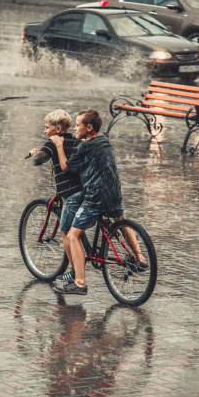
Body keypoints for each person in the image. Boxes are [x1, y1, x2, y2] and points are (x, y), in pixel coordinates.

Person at [50, 110, 147, 295]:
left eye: (78, 125)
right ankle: (140, 258)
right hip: (114, 193)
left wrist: (60, 145)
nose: (76, 128)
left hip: (96, 196)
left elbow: (65, 167)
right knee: (120, 220)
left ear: (89, 127)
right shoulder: (104, 141)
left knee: (72, 236)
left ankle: (79, 283)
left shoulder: (84, 148)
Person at [29, 111, 83, 280]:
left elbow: (38, 160)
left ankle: (75, 271)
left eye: (47, 128)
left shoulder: (52, 143)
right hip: (84, 188)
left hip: (70, 192)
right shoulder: (76, 140)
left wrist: (34, 153)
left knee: (65, 231)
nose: (45, 131)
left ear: (58, 129)